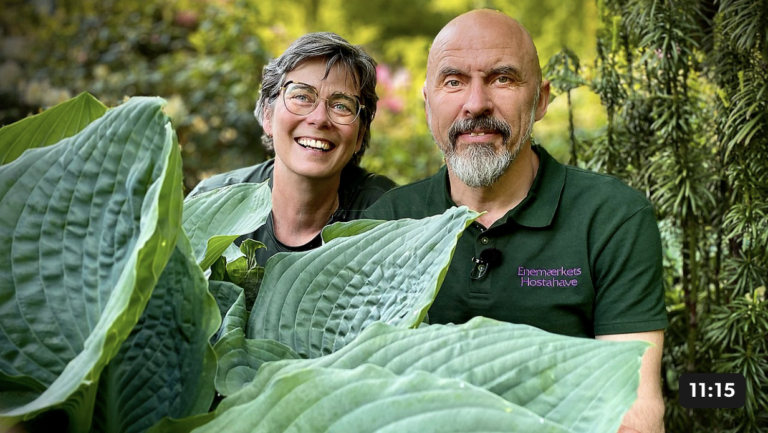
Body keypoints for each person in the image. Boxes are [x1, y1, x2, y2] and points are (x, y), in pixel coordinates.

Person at [363, 10, 667, 433]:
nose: (476, 104)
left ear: (541, 100)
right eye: (453, 81)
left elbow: (635, 411)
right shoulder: (388, 223)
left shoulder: (611, 218)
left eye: (502, 78)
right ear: (428, 103)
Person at [191, 32, 396, 305]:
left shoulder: (389, 216)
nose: (319, 118)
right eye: (301, 96)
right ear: (267, 115)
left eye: (341, 105)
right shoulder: (210, 206)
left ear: (359, 136)